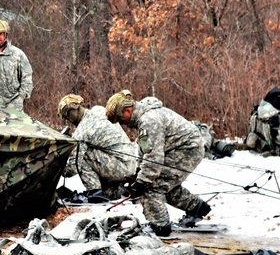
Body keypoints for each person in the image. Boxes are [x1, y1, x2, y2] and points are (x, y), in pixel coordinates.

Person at [105, 90, 211, 237]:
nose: (122, 123)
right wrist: (138, 173)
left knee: (153, 187)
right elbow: (146, 151)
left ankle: (160, 227)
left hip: (187, 149)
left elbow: (154, 158)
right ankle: (197, 208)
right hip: (179, 148)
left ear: (128, 110)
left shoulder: (149, 120)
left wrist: (142, 182)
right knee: (163, 184)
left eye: (120, 119)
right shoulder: (143, 120)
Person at [57, 94, 138, 201]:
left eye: (67, 115)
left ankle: (94, 192)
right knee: (87, 149)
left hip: (121, 167)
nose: (68, 120)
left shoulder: (82, 131)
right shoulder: (98, 110)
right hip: (129, 164)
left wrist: (59, 168)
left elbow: (72, 168)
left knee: (82, 154)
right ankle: (112, 191)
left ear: (75, 109)